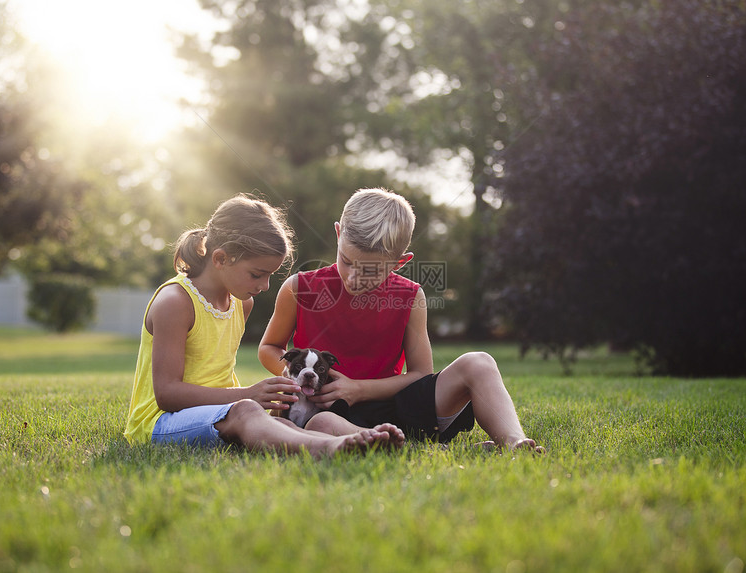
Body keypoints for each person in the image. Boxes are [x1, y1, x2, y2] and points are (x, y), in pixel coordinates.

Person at [259, 188, 544, 453]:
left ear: (399, 262)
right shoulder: (300, 288)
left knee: (479, 362)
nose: (353, 278)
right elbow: (270, 346)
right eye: (347, 261)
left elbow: (421, 374)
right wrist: (298, 378)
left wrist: (358, 389)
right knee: (321, 425)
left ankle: (514, 442)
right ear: (337, 234)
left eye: (371, 271)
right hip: (329, 411)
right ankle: (388, 442)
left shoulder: (410, 296)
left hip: (393, 404)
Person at [123, 194, 401, 457]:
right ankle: (322, 450)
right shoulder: (175, 302)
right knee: (247, 411)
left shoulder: (240, 303)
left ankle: (350, 441)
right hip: (160, 424)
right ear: (220, 258)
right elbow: (167, 395)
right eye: (257, 274)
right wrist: (247, 394)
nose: (265, 286)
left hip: (221, 411)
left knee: (285, 424)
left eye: (270, 275)